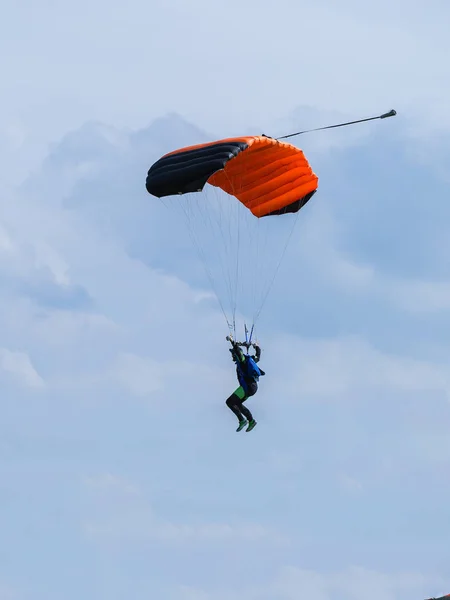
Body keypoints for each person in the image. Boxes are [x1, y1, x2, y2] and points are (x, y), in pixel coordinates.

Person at [225, 335, 265, 432]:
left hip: (247, 386)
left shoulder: (242, 361)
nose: (232, 356)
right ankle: (251, 421)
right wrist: (257, 347)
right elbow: (258, 357)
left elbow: (239, 353)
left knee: (229, 402)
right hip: (252, 387)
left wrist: (232, 342)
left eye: (233, 354)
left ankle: (242, 420)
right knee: (237, 403)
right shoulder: (249, 360)